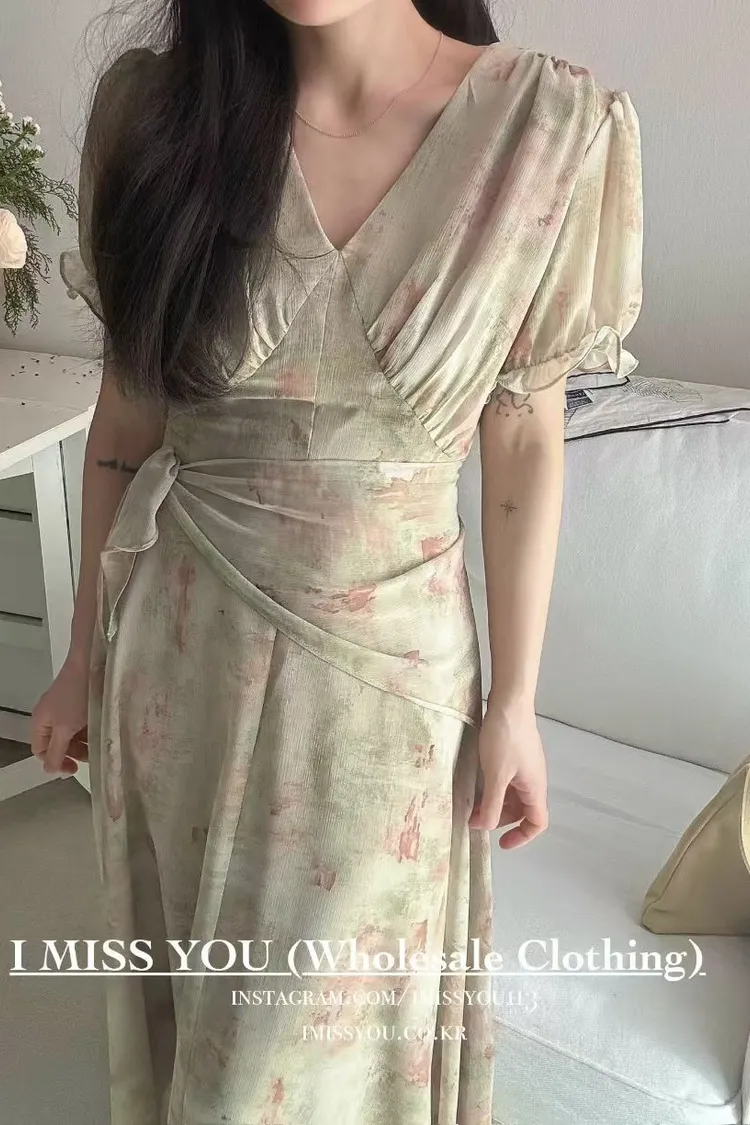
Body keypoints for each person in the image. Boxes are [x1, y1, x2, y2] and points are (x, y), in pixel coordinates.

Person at [31, 1, 643, 1121]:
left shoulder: (548, 127)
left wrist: (516, 701)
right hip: (178, 658)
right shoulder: (156, 114)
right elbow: (128, 413)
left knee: (304, 1055)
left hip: (386, 702)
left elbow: (523, 437)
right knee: (202, 1015)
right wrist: (82, 654)